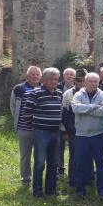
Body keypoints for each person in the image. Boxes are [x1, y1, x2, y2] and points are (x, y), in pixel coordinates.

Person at [71, 72, 103, 198]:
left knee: (100, 164)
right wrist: (93, 106)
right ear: (85, 82)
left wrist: (85, 110)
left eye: (96, 81)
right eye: (91, 81)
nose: (93, 84)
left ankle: (102, 191)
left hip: (98, 135)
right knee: (80, 164)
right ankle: (80, 190)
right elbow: (75, 108)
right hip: (81, 136)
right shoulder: (78, 94)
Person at [26, 67, 64, 198]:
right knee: (40, 162)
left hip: (55, 133)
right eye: (51, 79)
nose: (54, 82)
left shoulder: (59, 93)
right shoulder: (36, 92)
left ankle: (51, 190)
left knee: (54, 163)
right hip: (41, 133)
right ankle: (37, 191)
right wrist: (36, 125)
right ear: (45, 80)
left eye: (56, 79)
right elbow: (27, 112)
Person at [10, 66, 41, 186]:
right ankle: (26, 179)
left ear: (40, 76)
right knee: (25, 155)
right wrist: (19, 120)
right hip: (24, 129)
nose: (35, 76)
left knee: (40, 155)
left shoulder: (43, 88)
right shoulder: (19, 89)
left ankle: (38, 180)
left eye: (37, 74)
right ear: (27, 76)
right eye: (33, 74)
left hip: (39, 129)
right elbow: (13, 107)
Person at [60, 68, 86, 186]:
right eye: (79, 81)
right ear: (75, 81)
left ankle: (88, 178)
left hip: (88, 130)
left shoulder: (92, 93)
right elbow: (64, 114)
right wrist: (65, 131)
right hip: (73, 131)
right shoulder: (67, 94)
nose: (81, 83)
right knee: (74, 155)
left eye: (83, 80)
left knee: (87, 155)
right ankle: (73, 180)